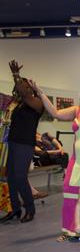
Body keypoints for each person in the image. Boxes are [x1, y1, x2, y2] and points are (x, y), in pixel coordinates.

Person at [31, 77, 80, 242]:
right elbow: (55, 112)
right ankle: (71, 229)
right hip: (77, 161)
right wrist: (40, 92)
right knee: (70, 192)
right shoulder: (76, 110)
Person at [0, 60, 43, 224]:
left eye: (24, 86)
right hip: (13, 143)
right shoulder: (18, 105)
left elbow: (24, 93)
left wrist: (16, 75)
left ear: (31, 89)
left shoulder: (37, 104)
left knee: (20, 177)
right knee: (10, 177)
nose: (20, 88)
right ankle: (15, 209)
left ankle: (30, 209)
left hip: (25, 144)